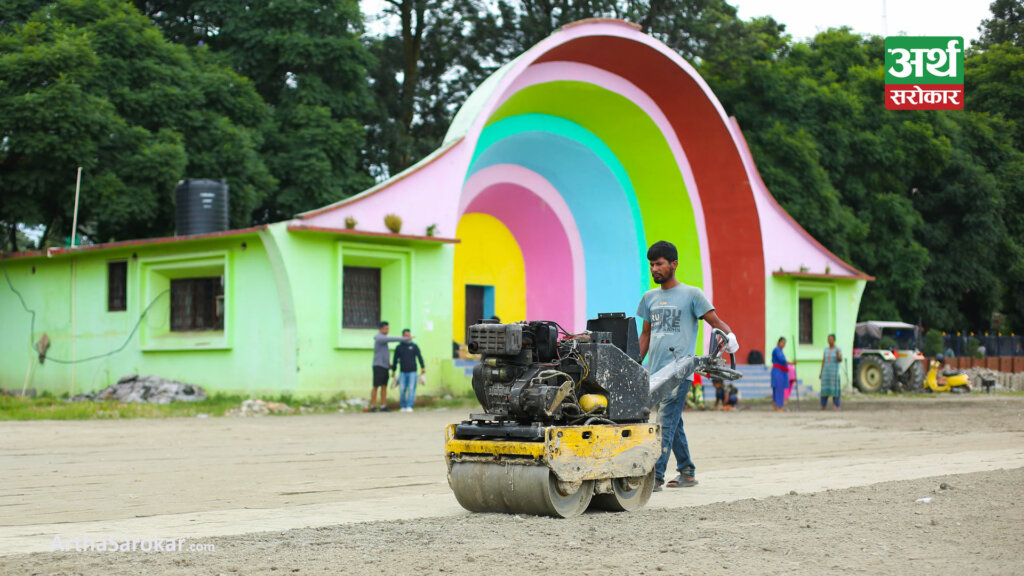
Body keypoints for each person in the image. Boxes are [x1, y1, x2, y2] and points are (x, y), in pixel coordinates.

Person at [637, 240, 739, 492]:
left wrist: (731, 337)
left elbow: (714, 321)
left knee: (664, 422)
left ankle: (655, 477)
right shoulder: (649, 298)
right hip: (656, 372)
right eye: (651, 265)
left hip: (680, 372)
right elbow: (645, 336)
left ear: (674, 264)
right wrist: (635, 364)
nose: (654, 269)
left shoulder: (692, 294)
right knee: (673, 422)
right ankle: (687, 472)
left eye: (659, 264)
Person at [371, 322, 409, 412]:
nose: (387, 330)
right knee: (376, 386)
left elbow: (384, 354)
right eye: (386, 329)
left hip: (384, 366)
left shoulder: (383, 339)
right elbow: (391, 339)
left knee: (384, 386)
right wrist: (405, 339)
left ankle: (383, 406)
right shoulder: (379, 337)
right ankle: (373, 406)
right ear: (381, 329)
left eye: (388, 328)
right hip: (378, 366)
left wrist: (389, 364)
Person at [391, 329, 426, 412]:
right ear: (402, 336)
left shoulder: (414, 346)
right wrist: (393, 370)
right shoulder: (399, 347)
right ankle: (403, 406)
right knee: (402, 389)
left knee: (411, 389)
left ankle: (409, 406)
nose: (407, 337)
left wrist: (423, 367)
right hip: (402, 372)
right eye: (405, 336)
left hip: (412, 372)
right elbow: (395, 360)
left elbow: (419, 357)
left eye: (408, 336)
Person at [819, 333, 842, 410]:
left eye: (831, 339)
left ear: (834, 340)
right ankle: (823, 405)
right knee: (824, 389)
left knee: (835, 389)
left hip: (834, 373)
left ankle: (836, 404)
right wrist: (821, 372)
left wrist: (838, 354)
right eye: (828, 339)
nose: (829, 341)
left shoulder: (838, 349)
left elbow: (840, 359)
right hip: (826, 372)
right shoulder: (826, 349)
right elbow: (823, 360)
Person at [771, 337, 789, 411]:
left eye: (784, 343)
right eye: (782, 343)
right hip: (778, 372)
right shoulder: (777, 350)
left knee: (778, 388)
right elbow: (782, 359)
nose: (783, 344)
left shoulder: (780, 350)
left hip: (781, 371)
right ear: (779, 342)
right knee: (778, 388)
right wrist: (790, 363)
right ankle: (779, 406)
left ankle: (776, 405)